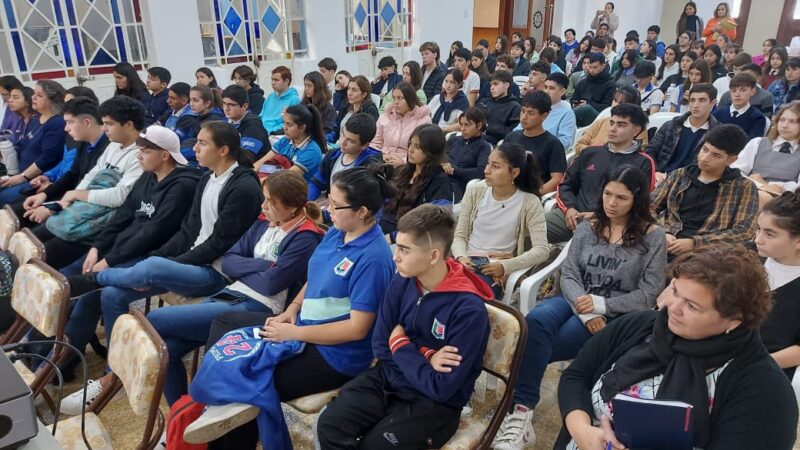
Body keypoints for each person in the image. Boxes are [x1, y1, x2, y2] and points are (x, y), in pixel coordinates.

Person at [179, 166, 395, 449]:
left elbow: (357, 329)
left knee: (247, 381)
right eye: (329, 199)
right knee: (225, 324)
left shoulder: (374, 258)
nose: (327, 208)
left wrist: (293, 333)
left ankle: (223, 417)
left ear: (363, 211)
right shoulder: (338, 232)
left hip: (335, 355)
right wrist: (291, 309)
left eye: (336, 205)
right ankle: (214, 406)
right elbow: (316, 275)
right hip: (304, 327)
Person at [60, 122, 263, 408]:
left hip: (218, 273)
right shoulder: (207, 178)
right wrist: (168, 262)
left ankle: (92, 281)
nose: (195, 148)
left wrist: (167, 266)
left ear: (224, 149)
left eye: (203, 143)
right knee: (115, 294)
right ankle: (115, 373)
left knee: (150, 267)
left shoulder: (242, 187)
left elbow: (218, 244)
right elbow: (188, 231)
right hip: (191, 264)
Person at [556, 243, 798, 450]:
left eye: (692, 305)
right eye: (674, 290)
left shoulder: (765, 391)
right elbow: (577, 375)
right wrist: (582, 430)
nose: (673, 307)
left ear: (734, 319)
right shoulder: (641, 326)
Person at [493, 165, 666, 450]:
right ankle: (523, 412)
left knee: (534, 345)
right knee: (534, 321)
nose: (611, 203)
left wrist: (603, 305)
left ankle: (520, 411)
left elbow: (648, 293)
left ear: (637, 199)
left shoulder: (652, 237)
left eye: (621, 198)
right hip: (575, 300)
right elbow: (570, 273)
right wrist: (586, 309)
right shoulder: (589, 227)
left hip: (615, 314)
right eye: (608, 194)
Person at [317, 204, 491, 449]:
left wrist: (399, 343)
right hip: (388, 378)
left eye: (404, 250)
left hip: (433, 404)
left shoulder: (469, 311)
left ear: (433, 256)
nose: (394, 256)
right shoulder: (403, 279)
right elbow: (379, 344)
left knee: (376, 445)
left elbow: (441, 387)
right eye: (397, 246)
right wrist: (426, 355)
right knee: (330, 426)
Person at [148, 171, 325, 405]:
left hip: (259, 307)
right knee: (167, 351)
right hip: (232, 294)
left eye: (270, 201)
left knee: (156, 319)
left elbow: (272, 284)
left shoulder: (306, 237)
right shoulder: (264, 222)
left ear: (291, 207)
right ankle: (184, 417)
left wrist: (255, 271)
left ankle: (194, 413)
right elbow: (229, 262)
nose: (263, 206)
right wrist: (263, 265)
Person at [54, 125, 200, 382]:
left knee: (100, 292)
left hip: (157, 256)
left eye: (144, 151)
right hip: (125, 249)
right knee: (79, 281)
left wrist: (109, 261)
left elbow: (153, 233)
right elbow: (122, 218)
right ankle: (58, 359)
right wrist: (97, 248)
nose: (138, 156)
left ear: (164, 155)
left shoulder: (182, 186)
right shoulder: (148, 176)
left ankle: (113, 366)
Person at [452, 142, 549, 299]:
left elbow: (542, 250)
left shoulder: (529, 202)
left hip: (493, 271)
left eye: (495, 166)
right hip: (465, 263)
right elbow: (460, 236)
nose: (486, 170)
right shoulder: (476, 191)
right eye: (488, 164)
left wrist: (505, 267)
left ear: (514, 173)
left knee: (466, 298)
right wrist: (461, 257)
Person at [547, 104, 655, 243]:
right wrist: (569, 209)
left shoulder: (644, 162)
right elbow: (565, 184)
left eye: (621, 125)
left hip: (611, 222)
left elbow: (641, 203)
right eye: (611, 123)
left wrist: (598, 216)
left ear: (636, 130)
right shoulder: (590, 152)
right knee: (531, 232)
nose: (612, 129)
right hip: (572, 215)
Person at [651, 124, 757, 256]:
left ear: (731, 160)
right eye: (705, 149)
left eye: (716, 155)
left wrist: (695, 243)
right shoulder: (679, 175)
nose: (704, 158)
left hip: (710, 253)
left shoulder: (743, 187)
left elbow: (745, 231)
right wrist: (662, 232)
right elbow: (648, 207)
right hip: (667, 242)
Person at [18, 97, 111, 230]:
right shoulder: (84, 144)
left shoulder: (109, 148)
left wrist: (54, 207)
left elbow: (92, 190)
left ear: (87, 122)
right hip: (71, 198)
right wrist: (44, 195)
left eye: (70, 122)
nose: (66, 129)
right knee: (15, 212)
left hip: (88, 208)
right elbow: (72, 175)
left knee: (31, 235)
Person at [755, 190, 800, 379]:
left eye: (770, 234)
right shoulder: (745, 259)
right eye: (758, 229)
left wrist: (753, 365)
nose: (758, 239)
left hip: (770, 371)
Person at [0, 80, 65, 205]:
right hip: (22, 174)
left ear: (52, 100)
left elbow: (48, 157)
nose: (33, 97)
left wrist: (22, 177)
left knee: (3, 197)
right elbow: (21, 147)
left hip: (37, 179)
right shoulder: (35, 119)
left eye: (39, 95)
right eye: (34, 93)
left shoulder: (56, 123)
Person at [381, 124, 452, 238]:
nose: (410, 150)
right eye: (410, 144)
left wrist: (393, 237)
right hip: (382, 229)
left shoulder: (440, 182)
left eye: (418, 147)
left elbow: (434, 223)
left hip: (408, 238)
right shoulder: (402, 171)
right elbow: (384, 204)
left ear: (431, 150)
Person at [648, 83, 720, 180]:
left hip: (693, 182)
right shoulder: (671, 125)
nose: (695, 105)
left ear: (713, 103)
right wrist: (656, 171)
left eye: (702, 100)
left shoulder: (717, 133)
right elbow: (650, 152)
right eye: (692, 100)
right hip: (662, 176)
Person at [732, 101, 800, 200]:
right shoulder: (757, 143)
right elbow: (736, 171)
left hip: (786, 200)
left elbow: (798, 187)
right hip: (752, 193)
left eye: (792, 121)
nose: (784, 125)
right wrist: (761, 186)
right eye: (782, 120)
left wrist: (766, 184)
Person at [308, 113, 383, 202]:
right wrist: (305, 201)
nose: (343, 142)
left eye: (350, 141)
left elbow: (361, 201)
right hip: (330, 203)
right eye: (343, 135)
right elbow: (317, 182)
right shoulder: (332, 155)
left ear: (364, 145)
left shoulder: (369, 167)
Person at [504, 91, 566, 194]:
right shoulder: (511, 137)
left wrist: (535, 193)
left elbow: (557, 179)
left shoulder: (553, 144)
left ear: (544, 116)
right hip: (507, 188)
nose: (524, 117)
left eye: (530, 113)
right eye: (523, 111)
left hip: (532, 192)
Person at [254, 104, 325, 183]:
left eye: (289, 125)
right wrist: (250, 174)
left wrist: (256, 182)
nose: (285, 128)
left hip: (295, 190)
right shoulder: (285, 141)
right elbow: (261, 161)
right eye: (284, 123)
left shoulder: (312, 151)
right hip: (275, 183)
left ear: (302, 127)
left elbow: (284, 178)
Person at [371, 81, 432, 166]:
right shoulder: (385, 117)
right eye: (394, 98)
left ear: (410, 99)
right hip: (383, 160)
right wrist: (381, 156)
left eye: (400, 98)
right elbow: (374, 143)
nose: (396, 102)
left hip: (408, 164)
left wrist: (403, 162)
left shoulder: (424, 120)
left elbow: (422, 151)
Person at [575, 86, 649, 154]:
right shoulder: (601, 121)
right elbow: (579, 145)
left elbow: (636, 154)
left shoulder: (637, 129)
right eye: (615, 100)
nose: (615, 105)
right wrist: (595, 153)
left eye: (621, 103)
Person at [443, 107, 492, 201]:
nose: (462, 129)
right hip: (441, 176)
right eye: (461, 125)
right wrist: (443, 164)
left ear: (479, 125)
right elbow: (440, 156)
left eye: (467, 125)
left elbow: (481, 172)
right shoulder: (453, 140)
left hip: (459, 183)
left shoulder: (483, 147)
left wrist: (454, 171)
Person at [221, 85, 271, 167]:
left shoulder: (253, 126)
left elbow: (246, 159)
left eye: (231, 105)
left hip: (256, 170)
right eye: (224, 103)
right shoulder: (229, 122)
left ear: (245, 106)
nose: (226, 108)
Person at [712, 73, 767, 140]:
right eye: (733, 90)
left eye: (743, 90)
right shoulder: (718, 113)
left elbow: (752, 144)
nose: (737, 94)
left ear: (752, 91)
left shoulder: (757, 117)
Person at [181, 85, 225, 164]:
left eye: (196, 100)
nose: (191, 104)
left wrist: (179, 154)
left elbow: (208, 149)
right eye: (190, 100)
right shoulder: (198, 118)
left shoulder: (214, 122)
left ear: (207, 103)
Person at [476, 71, 520, 145]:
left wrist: (488, 128)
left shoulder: (514, 107)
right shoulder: (483, 102)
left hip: (493, 143)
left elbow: (513, 132)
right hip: (473, 136)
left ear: (506, 85)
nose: (492, 88)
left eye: (496, 84)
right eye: (491, 85)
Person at [572, 52, 616, 127]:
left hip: (599, 116)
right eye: (590, 67)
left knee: (587, 108)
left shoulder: (610, 84)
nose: (591, 70)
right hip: (579, 112)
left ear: (603, 66)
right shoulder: (583, 82)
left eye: (595, 67)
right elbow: (574, 98)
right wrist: (574, 103)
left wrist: (589, 104)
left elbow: (607, 107)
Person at [333, 75, 379, 142]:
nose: (349, 93)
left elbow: (365, 136)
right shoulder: (345, 107)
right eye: (348, 89)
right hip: (338, 144)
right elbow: (336, 128)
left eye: (354, 90)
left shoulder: (370, 110)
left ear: (364, 94)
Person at [259, 66, 301, 134]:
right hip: (262, 132)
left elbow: (290, 124)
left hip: (277, 134)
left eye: (276, 80)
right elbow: (261, 117)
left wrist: (271, 132)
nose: (273, 83)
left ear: (286, 81)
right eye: (272, 79)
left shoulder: (294, 100)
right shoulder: (270, 97)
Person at [301, 71, 336, 140]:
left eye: (309, 86)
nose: (306, 89)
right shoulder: (304, 104)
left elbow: (328, 131)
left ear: (318, 87)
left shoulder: (328, 108)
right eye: (305, 85)